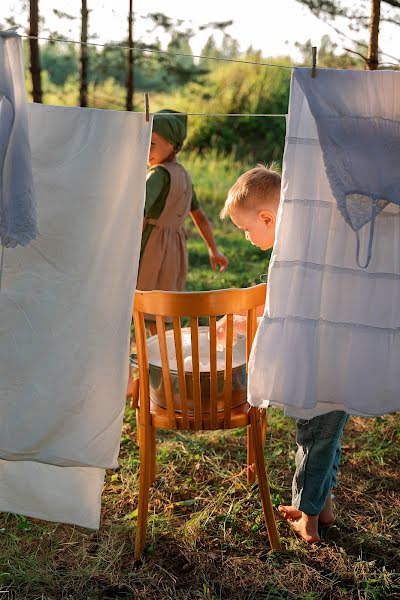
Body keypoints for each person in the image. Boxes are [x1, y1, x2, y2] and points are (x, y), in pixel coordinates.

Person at [218, 164, 349, 544]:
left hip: (318, 366)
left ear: (267, 217)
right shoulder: (311, 248)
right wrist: (245, 321)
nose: (246, 237)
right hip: (340, 360)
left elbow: (284, 314)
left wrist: (243, 322)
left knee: (313, 437)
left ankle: (305, 513)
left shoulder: (293, 260)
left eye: (247, 228)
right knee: (329, 435)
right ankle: (324, 505)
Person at [137, 109, 228, 308]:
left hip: (151, 246)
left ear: (173, 145)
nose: (146, 150)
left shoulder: (157, 176)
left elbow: (137, 209)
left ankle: (146, 339)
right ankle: (164, 338)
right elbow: (200, 216)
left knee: (142, 299)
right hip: (175, 250)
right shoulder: (185, 176)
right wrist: (213, 249)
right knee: (165, 302)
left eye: (152, 144)